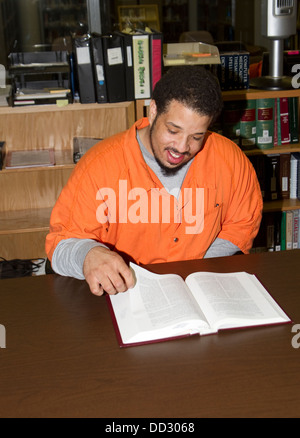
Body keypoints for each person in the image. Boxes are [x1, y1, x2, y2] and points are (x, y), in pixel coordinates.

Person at [46, 66, 263, 296]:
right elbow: (60, 244)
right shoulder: (99, 166)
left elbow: (241, 225)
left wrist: (198, 271)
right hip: (122, 295)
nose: (181, 147)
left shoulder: (229, 160)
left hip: (198, 292)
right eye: (172, 130)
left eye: (196, 137)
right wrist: (87, 254)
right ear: (153, 111)